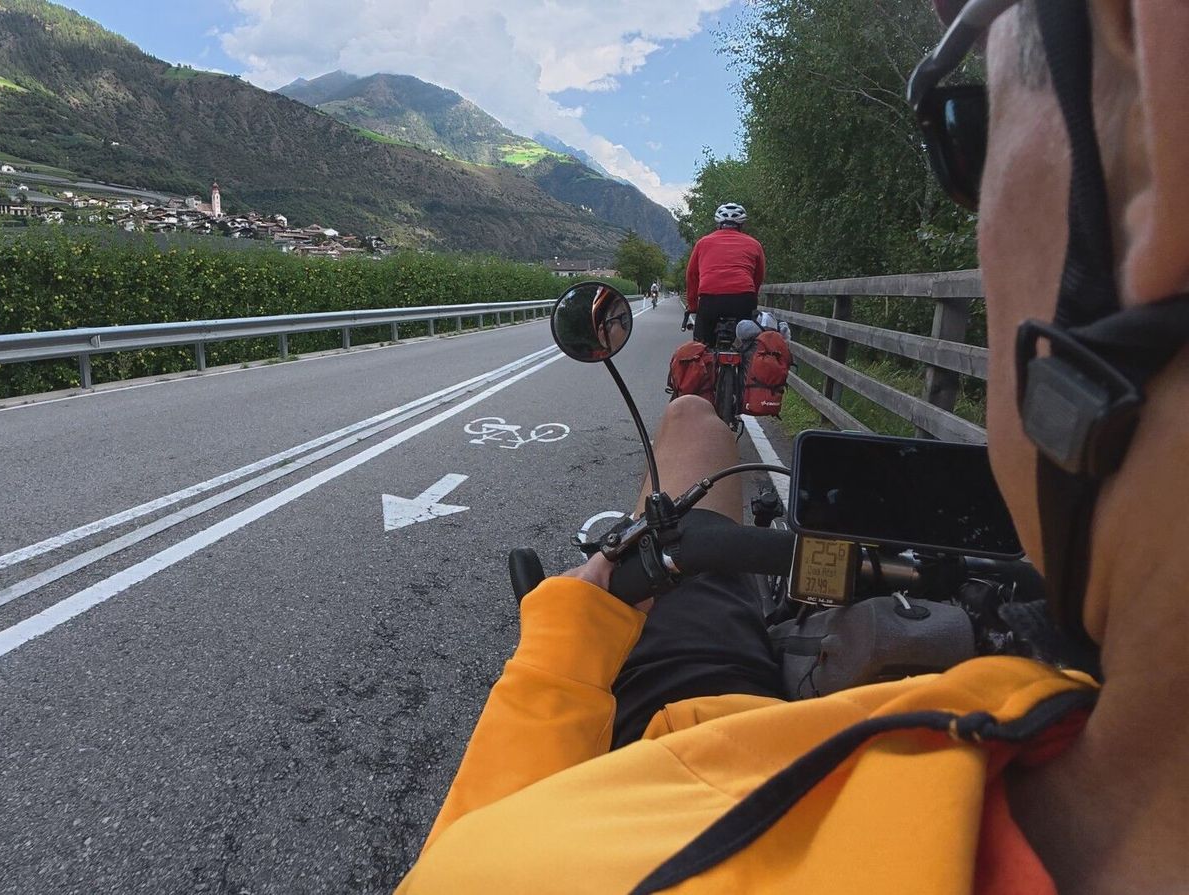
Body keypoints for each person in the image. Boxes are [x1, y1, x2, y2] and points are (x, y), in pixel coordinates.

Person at [398, 0, 1189, 892]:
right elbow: (759, 281)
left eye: (973, 130)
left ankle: (697, 431)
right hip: (750, 319)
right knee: (719, 401)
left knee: (690, 422)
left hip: (699, 743)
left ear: (1148, 89)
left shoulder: (507, 871)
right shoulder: (1053, 716)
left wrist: (572, 624)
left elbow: (471, 845)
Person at [684, 203, 766, 347]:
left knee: (702, 346)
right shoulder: (754, 244)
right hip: (743, 299)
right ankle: (745, 358)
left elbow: (692, 276)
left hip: (710, 300)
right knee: (747, 344)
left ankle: (704, 353)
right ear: (741, 225)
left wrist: (693, 305)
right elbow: (758, 276)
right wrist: (752, 297)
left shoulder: (703, 243)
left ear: (718, 224)